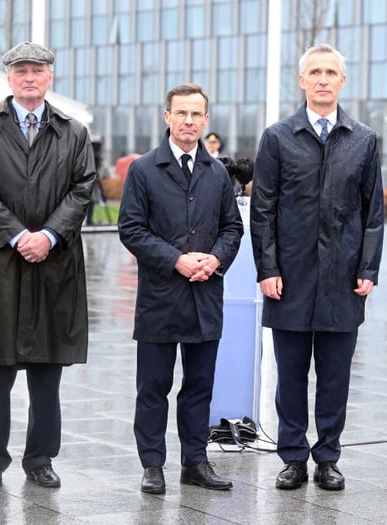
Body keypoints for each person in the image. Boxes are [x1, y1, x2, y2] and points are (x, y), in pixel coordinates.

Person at [0, 42, 96, 489]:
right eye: (21, 71)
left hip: (53, 262)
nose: (30, 77)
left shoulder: (72, 131)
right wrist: (18, 235)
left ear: (50, 76)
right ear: (9, 78)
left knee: (46, 367)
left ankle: (40, 459)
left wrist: (49, 236)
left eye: (37, 69)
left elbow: (82, 188)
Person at [250, 43, 384, 491]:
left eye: (331, 72)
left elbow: (374, 211)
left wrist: (368, 267)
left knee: (334, 376)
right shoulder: (277, 137)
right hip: (287, 278)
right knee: (289, 377)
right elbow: (262, 209)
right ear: (302, 80)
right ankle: (292, 457)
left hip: (343, 280)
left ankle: (328, 456)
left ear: (342, 81)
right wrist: (266, 267)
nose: (323, 79)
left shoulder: (363, 139)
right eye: (315, 72)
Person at [118, 83, 243, 495]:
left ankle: (195, 461)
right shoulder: (143, 170)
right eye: (181, 114)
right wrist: (176, 258)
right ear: (166, 117)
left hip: (205, 294)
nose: (189, 121)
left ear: (206, 120)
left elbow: (232, 227)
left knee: (199, 387)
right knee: (153, 387)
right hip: (159, 297)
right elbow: (131, 229)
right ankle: (152, 464)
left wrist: (216, 258)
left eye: (196, 114)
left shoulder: (218, 172)